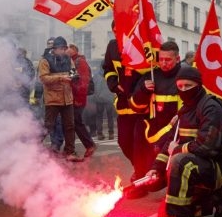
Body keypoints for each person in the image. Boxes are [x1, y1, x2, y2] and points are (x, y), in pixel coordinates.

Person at [142, 66, 222, 217]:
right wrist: (156, 168)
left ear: (198, 85)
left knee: (179, 162)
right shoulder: (184, 109)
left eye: (188, 86)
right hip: (195, 162)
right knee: (164, 214)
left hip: (216, 165)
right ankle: (213, 198)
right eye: (180, 86)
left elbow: (208, 146)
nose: (183, 90)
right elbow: (170, 141)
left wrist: (177, 150)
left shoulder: (210, 108)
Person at [125, 41, 182, 198]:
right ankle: (140, 181)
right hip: (152, 129)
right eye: (161, 59)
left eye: (168, 60)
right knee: (138, 130)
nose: (163, 63)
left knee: (170, 163)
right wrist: (143, 90)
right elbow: (135, 106)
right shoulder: (150, 76)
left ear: (178, 59)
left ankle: (175, 187)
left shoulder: (184, 76)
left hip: (176, 129)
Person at [103, 22, 147, 179]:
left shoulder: (141, 45)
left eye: (119, 30)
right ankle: (140, 169)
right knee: (124, 141)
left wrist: (138, 91)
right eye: (114, 31)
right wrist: (114, 85)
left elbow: (150, 72)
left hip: (142, 105)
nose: (116, 34)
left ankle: (141, 173)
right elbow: (107, 69)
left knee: (140, 142)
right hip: (123, 104)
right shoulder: (112, 46)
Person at [38, 36, 81, 161]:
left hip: (67, 98)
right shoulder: (45, 60)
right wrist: (61, 78)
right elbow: (44, 78)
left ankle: (70, 152)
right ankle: (34, 148)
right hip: (52, 98)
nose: (63, 51)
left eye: (64, 48)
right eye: (60, 48)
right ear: (54, 49)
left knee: (69, 126)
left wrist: (74, 77)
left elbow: (73, 72)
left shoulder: (68, 59)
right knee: (48, 125)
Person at [67, 44, 97, 159]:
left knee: (76, 122)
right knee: (74, 123)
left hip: (78, 98)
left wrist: (78, 98)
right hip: (74, 98)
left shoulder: (80, 61)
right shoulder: (72, 62)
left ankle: (89, 145)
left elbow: (83, 82)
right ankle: (81, 147)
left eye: (68, 48)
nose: (66, 50)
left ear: (74, 50)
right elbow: (72, 79)